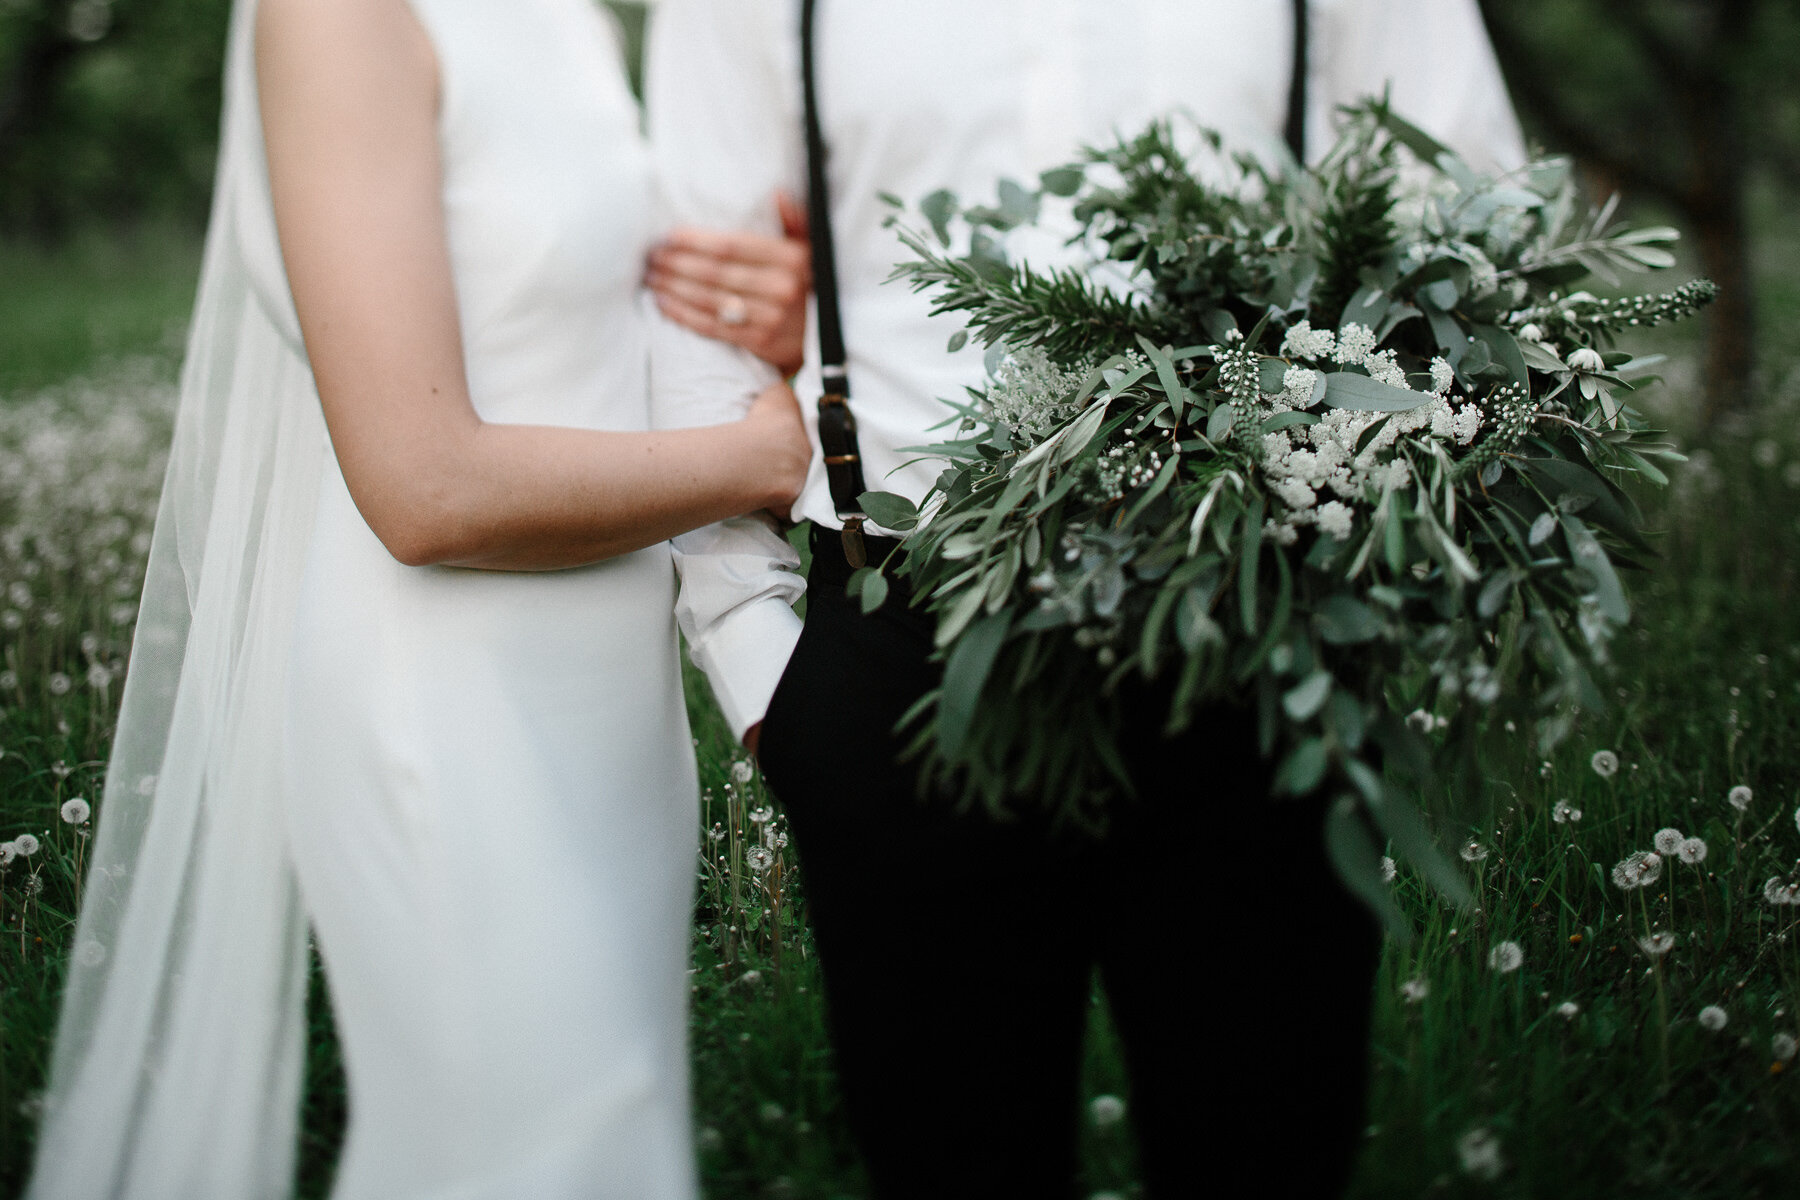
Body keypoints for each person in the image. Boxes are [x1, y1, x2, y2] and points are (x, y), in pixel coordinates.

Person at [644, 1, 1524, 1195]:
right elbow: (693, 312)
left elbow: (1475, 229)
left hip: (1265, 646)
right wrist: (763, 665)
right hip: (910, 652)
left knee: (1269, 1153)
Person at [24, 0, 810, 1196]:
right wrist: (765, 460)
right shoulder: (335, 17)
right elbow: (424, 488)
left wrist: (768, 315)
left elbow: (589, 316)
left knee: (601, 1134)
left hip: (606, 711)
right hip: (445, 709)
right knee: (535, 1146)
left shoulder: (571, 16)